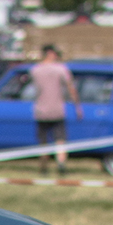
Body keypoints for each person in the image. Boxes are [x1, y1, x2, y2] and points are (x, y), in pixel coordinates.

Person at [29, 45, 78, 176]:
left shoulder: (35, 70)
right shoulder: (61, 69)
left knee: (43, 141)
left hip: (40, 110)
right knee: (60, 140)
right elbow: (70, 87)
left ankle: (44, 167)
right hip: (57, 109)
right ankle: (61, 164)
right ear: (51, 53)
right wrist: (77, 106)